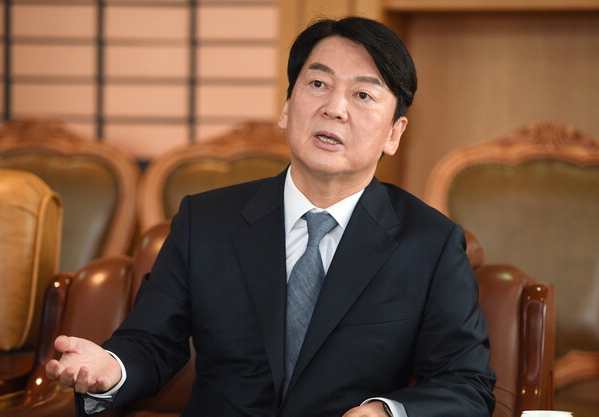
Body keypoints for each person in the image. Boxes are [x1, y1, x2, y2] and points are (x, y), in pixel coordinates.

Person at [46, 16, 496, 417]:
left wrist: (386, 412)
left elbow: (465, 384)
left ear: (394, 133)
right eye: (317, 84)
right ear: (285, 107)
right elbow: (151, 343)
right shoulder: (205, 221)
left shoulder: (430, 244)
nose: (334, 108)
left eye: (362, 94)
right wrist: (112, 368)